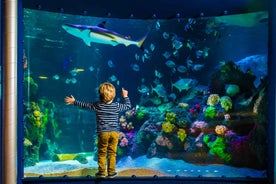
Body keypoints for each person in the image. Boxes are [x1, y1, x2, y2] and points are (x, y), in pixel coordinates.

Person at [64, 82, 131, 178]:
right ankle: (111, 172)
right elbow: (128, 106)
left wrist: (74, 101)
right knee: (112, 153)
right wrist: (125, 96)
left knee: (102, 152)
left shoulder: (97, 105)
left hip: (103, 133)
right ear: (114, 94)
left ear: (99, 94)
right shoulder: (116, 105)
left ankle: (102, 172)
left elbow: (85, 105)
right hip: (114, 133)